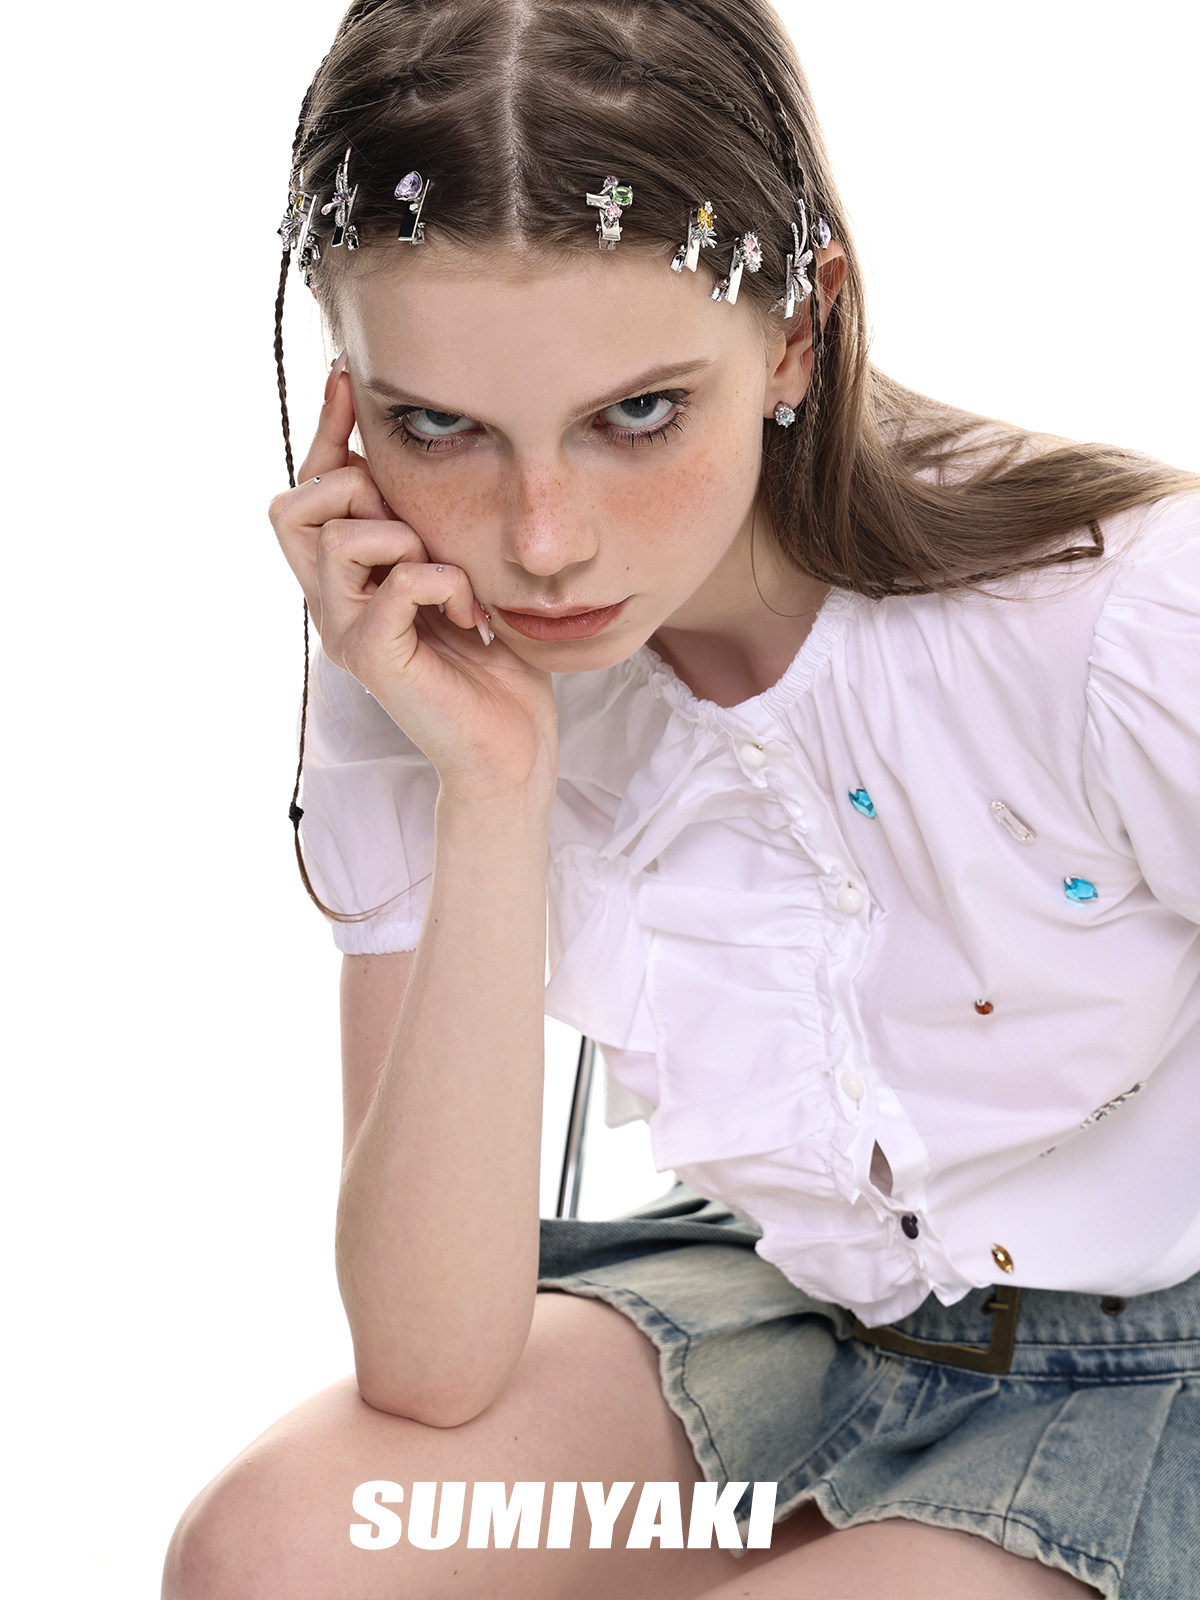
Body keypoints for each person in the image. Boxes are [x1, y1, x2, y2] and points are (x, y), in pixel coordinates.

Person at [162, 1, 1200, 1595]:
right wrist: (494, 783)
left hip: (1159, 1379)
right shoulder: (416, 643)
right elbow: (434, 1360)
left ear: (796, 333)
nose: (544, 540)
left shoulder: (1118, 621)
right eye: (440, 426)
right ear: (351, 399)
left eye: (637, 413)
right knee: (283, 1555)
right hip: (801, 1332)